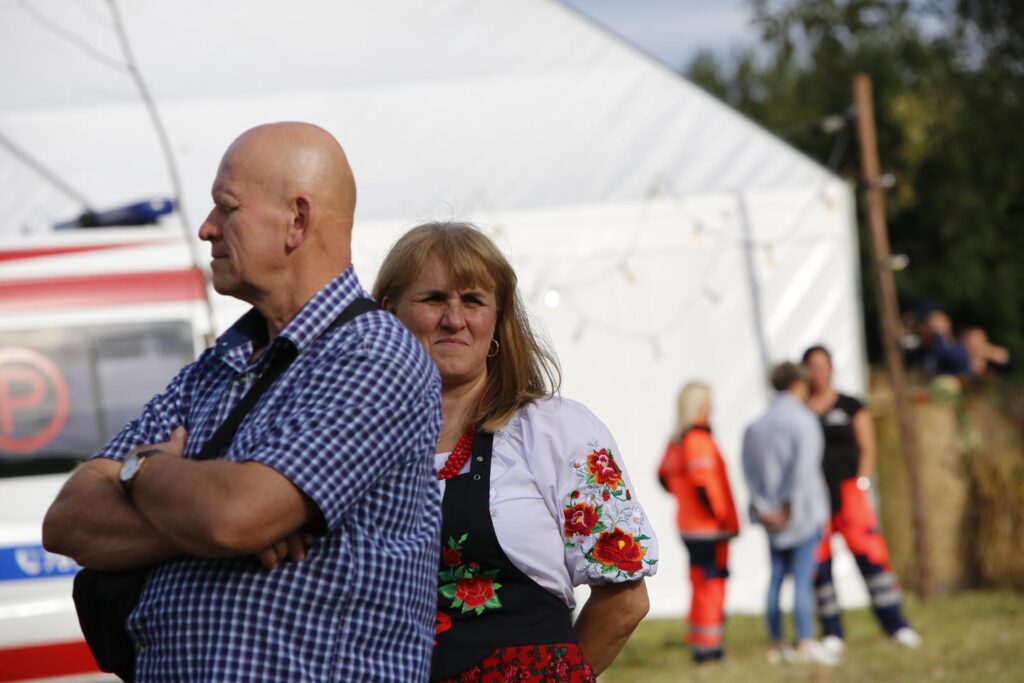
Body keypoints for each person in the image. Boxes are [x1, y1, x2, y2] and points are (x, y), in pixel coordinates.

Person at [42, 123, 443, 682]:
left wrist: (144, 470)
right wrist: (207, 523)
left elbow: (234, 517)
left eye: (226, 207)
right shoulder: (217, 365)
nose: (207, 228)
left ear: (297, 220)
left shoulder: (373, 355)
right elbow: (66, 521)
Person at [374, 221, 657, 682]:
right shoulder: (355, 443)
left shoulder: (553, 431)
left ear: (497, 319)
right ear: (391, 312)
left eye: (473, 301)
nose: (454, 319)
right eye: (434, 299)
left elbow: (625, 600)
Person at [802, 345, 922, 651]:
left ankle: (896, 624)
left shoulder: (851, 405)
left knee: (871, 556)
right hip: (815, 496)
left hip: (848, 491)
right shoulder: (801, 409)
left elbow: (867, 448)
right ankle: (832, 631)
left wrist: (862, 483)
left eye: (822, 366)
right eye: (812, 367)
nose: (818, 373)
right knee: (819, 563)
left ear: (831, 368)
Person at [741, 362, 835, 665]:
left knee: (777, 577)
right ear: (797, 384)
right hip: (801, 512)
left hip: (771, 515)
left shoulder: (756, 425)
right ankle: (805, 640)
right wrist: (787, 505)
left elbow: (749, 472)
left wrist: (765, 507)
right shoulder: (804, 420)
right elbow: (804, 469)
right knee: (802, 578)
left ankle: (776, 641)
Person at [657, 382, 738, 663]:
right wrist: (721, 517)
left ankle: (699, 637)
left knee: (699, 580)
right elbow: (705, 485)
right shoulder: (698, 439)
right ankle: (708, 646)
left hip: (689, 525)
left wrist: (685, 499)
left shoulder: (676, 441)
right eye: (709, 402)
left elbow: (663, 476)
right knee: (711, 584)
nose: (713, 408)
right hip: (708, 528)